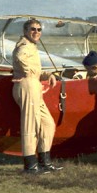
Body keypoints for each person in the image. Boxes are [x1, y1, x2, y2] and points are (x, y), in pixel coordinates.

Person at [12, 18, 62, 174]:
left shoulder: (32, 46)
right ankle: (30, 165)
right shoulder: (24, 45)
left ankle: (44, 161)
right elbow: (20, 57)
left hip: (34, 85)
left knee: (48, 124)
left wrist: (48, 75)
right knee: (30, 126)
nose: (36, 32)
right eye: (33, 29)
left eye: (39, 29)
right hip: (27, 85)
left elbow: (35, 69)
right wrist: (30, 73)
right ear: (25, 31)